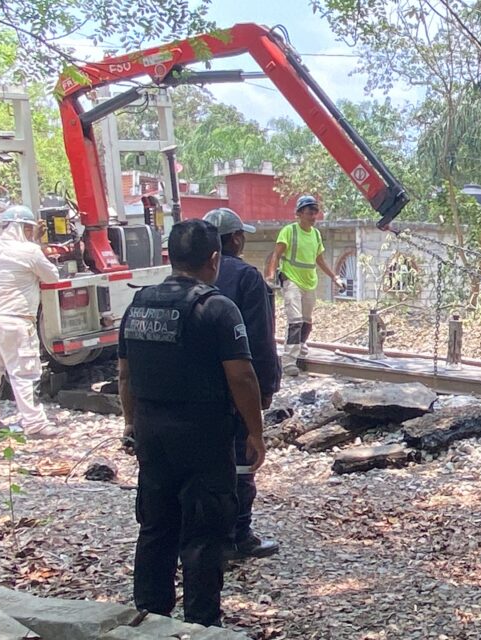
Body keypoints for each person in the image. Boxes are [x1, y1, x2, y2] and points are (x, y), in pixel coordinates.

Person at [118, 219, 267, 627]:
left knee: (155, 526)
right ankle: (201, 625)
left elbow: (126, 373)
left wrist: (130, 424)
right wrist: (255, 431)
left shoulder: (139, 304)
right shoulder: (217, 308)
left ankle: (149, 617)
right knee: (203, 533)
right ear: (215, 258)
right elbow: (242, 375)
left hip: (151, 431)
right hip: (202, 435)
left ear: (169, 256)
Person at [202, 207, 281, 560]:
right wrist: (266, 387)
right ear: (235, 239)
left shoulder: (191, 274)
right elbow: (260, 339)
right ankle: (238, 535)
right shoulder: (248, 278)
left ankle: (206, 535)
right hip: (236, 386)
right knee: (242, 459)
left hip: (197, 390)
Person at [0, 205, 61, 439]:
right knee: (25, 373)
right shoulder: (30, 251)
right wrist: (39, 248)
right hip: (15, 320)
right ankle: (35, 424)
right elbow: (52, 276)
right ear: (23, 227)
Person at [264, 195, 342, 377]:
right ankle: (289, 361)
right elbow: (276, 254)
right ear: (299, 214)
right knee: (295, 320)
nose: (313, 216)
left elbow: (320, 259)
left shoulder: (315, 234)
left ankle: (300, 344)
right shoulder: (289, 231)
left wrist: (334, 277)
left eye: (315, 213)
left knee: (306, 321)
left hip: (309, 282)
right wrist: (269, 276)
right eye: (309, 213)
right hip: (291, 280)